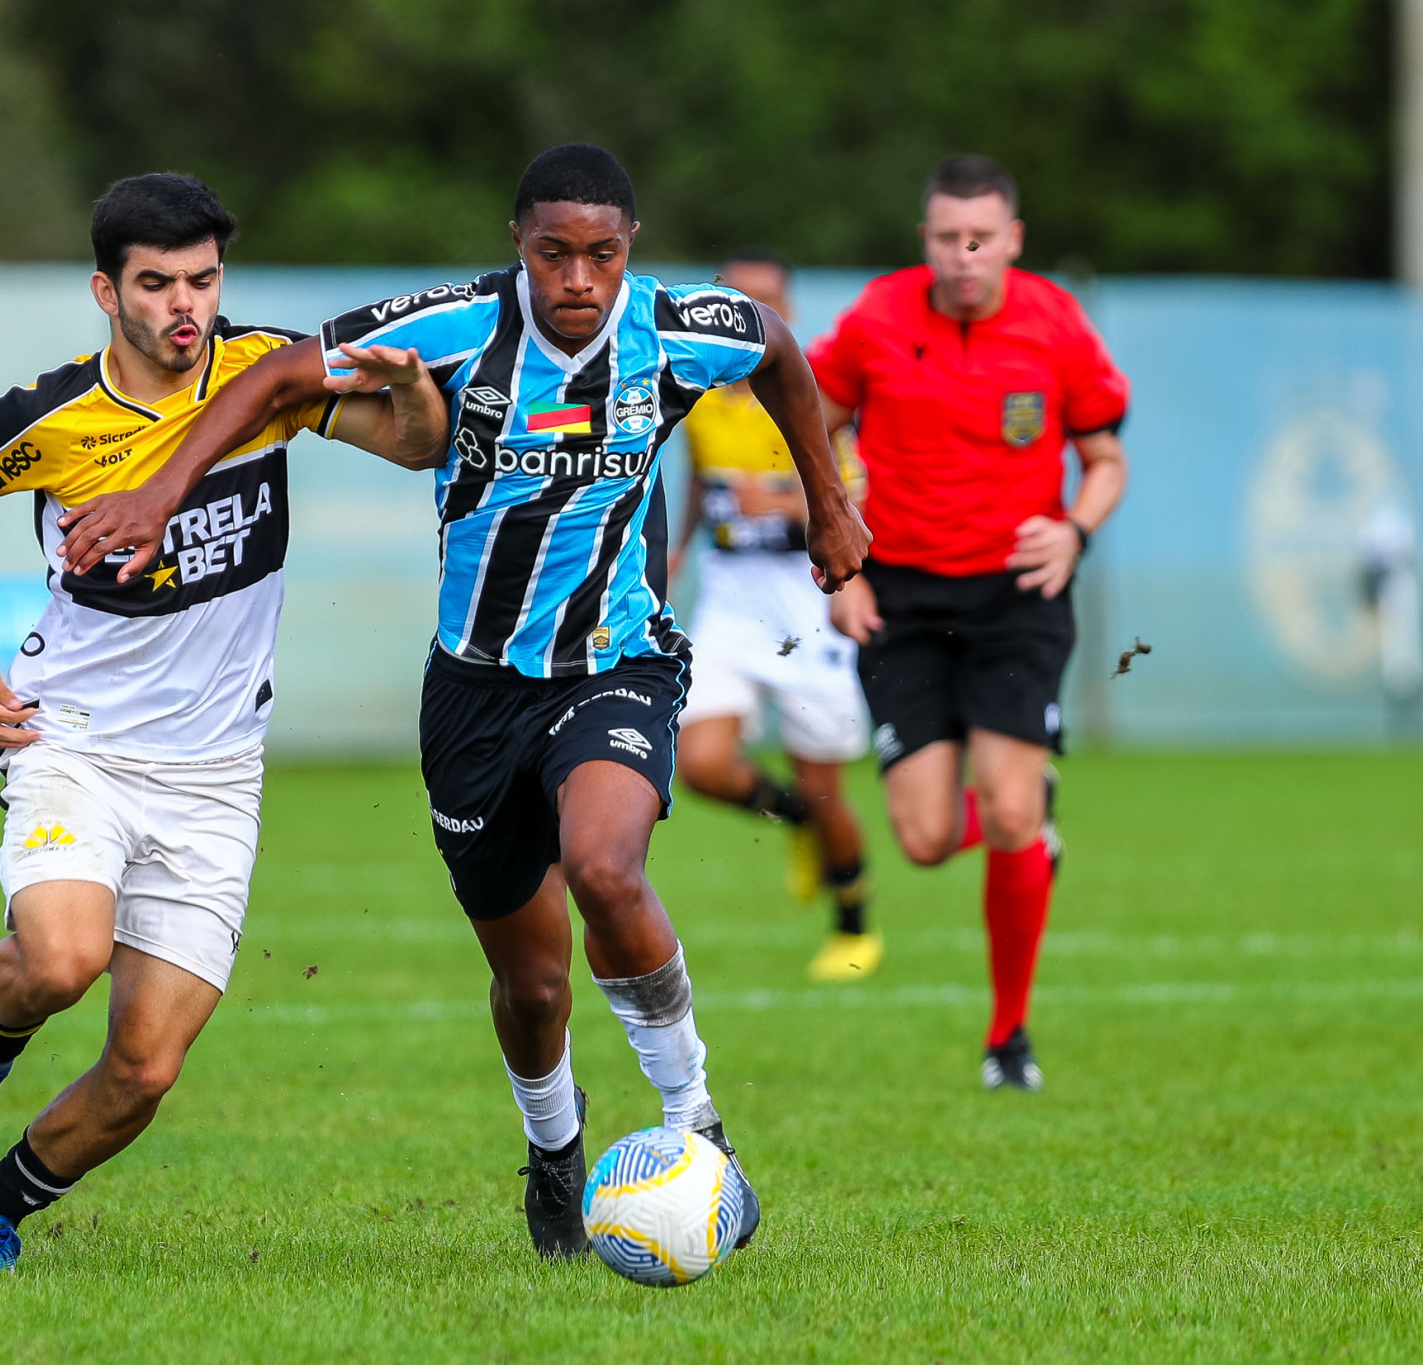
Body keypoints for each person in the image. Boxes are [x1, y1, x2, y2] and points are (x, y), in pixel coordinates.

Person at [57, 144, 870, 1258]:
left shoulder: (679, 327)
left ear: (626, 249)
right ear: (517, 247)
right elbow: (275, 379)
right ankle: (553, 1151)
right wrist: (159, 488)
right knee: (530, 985)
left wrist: (829, 504)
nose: (576, 279)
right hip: (474, 694)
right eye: (552, 254)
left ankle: (697, 1124)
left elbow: (776, 351)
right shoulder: (458, 325)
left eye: (599, 254)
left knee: (603, 867)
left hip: (613, 662)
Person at [0, 172, 447, 1274]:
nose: (183, 305)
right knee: (60, 961)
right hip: (78, 745)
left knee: (144, 1072)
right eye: (156, 284)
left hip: (213, 774)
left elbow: (414, 446)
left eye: (201, 280)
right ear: (106, 293)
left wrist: (416, 392)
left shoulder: (265, 375)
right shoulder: (49, 417)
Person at [811, 154, 1131, 1090]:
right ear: (927, 241)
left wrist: (1075, 530)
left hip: (1015, 595)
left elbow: (1104, 458)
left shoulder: (1055, 324)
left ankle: (1008, 1037)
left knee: (1008, 808)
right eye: (948, 238)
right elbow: (809, 429)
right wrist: (839, 564)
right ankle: (1023, 814)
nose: (964, 256)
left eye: (980, 238)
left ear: (1013, 240)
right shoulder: (876, 319)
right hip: (901, 596)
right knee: (918, 837)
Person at [668, 247, 879, 983]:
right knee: (697, 764)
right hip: (730, 603)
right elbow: (701, 483)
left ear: (786, 314)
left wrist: (786, 501)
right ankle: (792, 820)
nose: (751, 319)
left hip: (806, 603)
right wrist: (681, 546)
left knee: (828, 788)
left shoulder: (813, 398)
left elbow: (857, 496)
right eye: (738, 302)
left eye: (767, 304)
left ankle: (855, 923)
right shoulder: (694, 394)